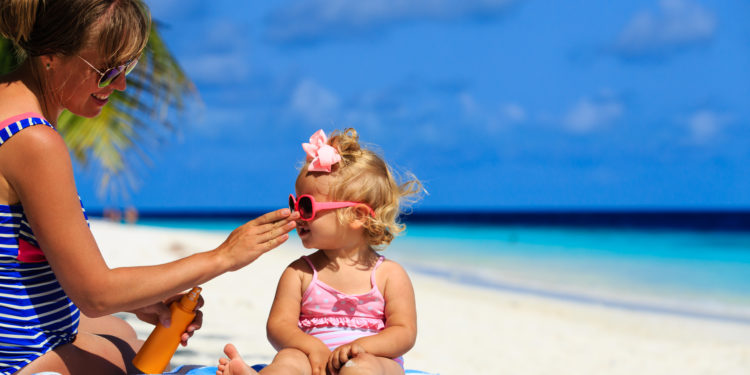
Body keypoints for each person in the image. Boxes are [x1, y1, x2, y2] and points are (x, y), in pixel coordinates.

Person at [0, 1, 298, 374]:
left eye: (128, 66)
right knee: (133, 358)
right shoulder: (32, 140)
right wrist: (223, 257)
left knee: (123, 330)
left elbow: (23, 267)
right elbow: (96, 294)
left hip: (20, 330)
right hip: (20, 355)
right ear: (51, 57)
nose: (120, 84)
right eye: (106, 71)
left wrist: (144, 297)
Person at [217, 129, 422, 375]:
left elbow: (404, 332)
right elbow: (279, 326)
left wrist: (360, 347)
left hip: (370, 359)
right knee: (289, 359)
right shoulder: (300, 272)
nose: (296, 215)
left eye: (306, 206)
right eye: (295, 203)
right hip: (312, 363)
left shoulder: (389, 275)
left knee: (362, 369)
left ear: (356, 216)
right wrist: (310, 346)